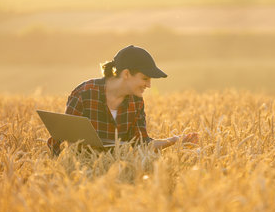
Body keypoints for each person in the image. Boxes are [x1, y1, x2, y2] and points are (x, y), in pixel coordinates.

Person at [47, 45, 198, 155]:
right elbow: (60, 138)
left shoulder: (136, 102)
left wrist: (174, 140)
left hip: (117, 177)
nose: (149, 85)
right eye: (144, 78)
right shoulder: (85, 93)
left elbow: (143, 144)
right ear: (126, 74)